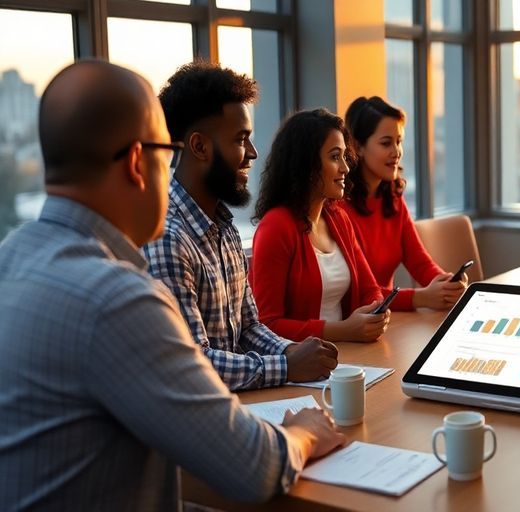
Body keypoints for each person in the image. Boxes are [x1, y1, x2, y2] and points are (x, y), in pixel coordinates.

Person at [0, 60, 345, 509]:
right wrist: (304, 432)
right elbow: (257, 469)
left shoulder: (10, 259)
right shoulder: (118, 299)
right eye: (166, 153)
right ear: (136, 163)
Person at [143, 62, 338, 390]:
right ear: (199, 147)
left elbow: (248, 327)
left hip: (240, 403)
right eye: (240, 140)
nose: (252, 152)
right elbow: (192, 361)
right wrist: (286, 365)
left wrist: (294, 352)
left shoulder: (224, 228)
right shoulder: (167, 238)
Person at [250, 108, 389, 343]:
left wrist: (375, 312)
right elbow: (267, 325)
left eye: (345, 156)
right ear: (305, 164)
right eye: (335, 157)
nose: (345, 168)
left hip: (345, 354)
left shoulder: (339, 219)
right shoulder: (275, 228)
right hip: (301, 367)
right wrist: (344, 330)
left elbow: (370, 289)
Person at [340, 96, 467, 311]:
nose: (396, 151)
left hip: (389, 320)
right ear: (358, 147)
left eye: (398, 141)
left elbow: (419, 261)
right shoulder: (340, 209)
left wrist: (445, 284)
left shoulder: (393, 198)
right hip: (359, 323)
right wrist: (421, 298)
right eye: (386, 143)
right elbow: (359, 292)